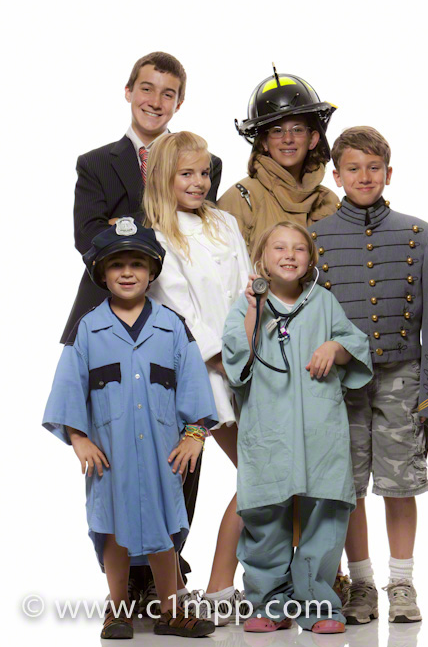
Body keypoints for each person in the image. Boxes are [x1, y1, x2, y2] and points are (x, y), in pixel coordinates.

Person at [60, 50, 222, 597]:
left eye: (168, 93)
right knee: (115, 450)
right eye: (147, 89)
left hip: (178, 324)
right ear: (128, 91)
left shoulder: (203, 161)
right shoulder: (96, 163)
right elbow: (89, 238)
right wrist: (134, 236)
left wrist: (124, 222)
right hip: (111, 322)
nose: (156, 101)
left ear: (180, 101)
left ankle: (167, 566)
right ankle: (125, 578)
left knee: (181, 448)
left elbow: (198, 230)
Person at [43, 219, 218, 639]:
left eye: (137, 264)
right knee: (112, 530)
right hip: (110, 456)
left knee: (165, 530)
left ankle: (171, 611)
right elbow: (68, 388)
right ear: (101, 274)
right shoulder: (88, 329)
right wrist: (79, 438)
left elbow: (193, 383)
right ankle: (117, 610)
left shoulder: (172, 327)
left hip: (163, 454)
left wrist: (194, 434)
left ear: (152, 271)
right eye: (117, 265)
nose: (127, 272)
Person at [310, 126, 428, 624]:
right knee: (347, 487)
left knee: (399, 485)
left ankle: (402, 582)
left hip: (402, 379)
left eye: (374, 168)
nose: (364, 177)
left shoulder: (422, 236)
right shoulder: (315, 239)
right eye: (353, 168)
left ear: (389, 173)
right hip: (339, 384)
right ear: (337, 175)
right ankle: (362, 584)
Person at [222, 221, 373, 633]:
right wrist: (254, 309)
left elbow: (356, 346)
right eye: (279, 247)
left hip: (320, 430)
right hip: (268, 430)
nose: (289, 255)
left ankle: (318, 605)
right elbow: (236, 362)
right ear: (261, 259)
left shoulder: (324, 302)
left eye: (299, 249)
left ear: (310, 260)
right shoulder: (246, 305)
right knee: (265, 516)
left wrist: (334, 347)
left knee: (325, 516)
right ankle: (266, 603)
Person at [144, 131, 252, 623]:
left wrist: (252, 351)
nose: (199, 182)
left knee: (262, 474)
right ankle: (174, 590)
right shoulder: (156, 236)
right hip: (198, 375)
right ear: (163, 178)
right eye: (186, 173)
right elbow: (180, 311)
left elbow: (250, 289)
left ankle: (221, 586)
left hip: (248, 363)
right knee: (172, 485)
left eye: (204, 172)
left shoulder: (225, 222)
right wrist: (226, 359)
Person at [217, 66, 340, 256]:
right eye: (277, 131)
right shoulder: (240, 199)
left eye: (297, 129)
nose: (287, 139)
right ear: (264, 142)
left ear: (313, 139)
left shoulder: (329, 202)